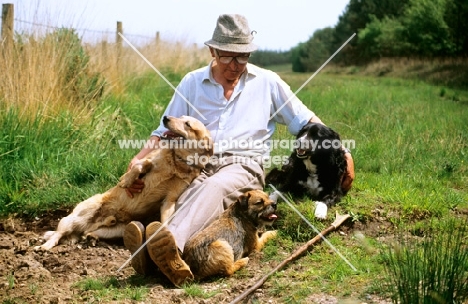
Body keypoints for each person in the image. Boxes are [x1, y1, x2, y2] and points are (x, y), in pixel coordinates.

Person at [122, 14, 355, 286]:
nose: (235, 65)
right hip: (195, 163)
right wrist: (137, 161)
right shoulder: (191, 83)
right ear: (213, 51)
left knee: (215, 188)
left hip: (243, 165)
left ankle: (161, 248)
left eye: (242, 57)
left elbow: (307, 121)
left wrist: (343, 152)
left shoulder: (268, 82)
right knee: (189, 192)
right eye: (227, 57)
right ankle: (160, 251)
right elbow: (164, 133)